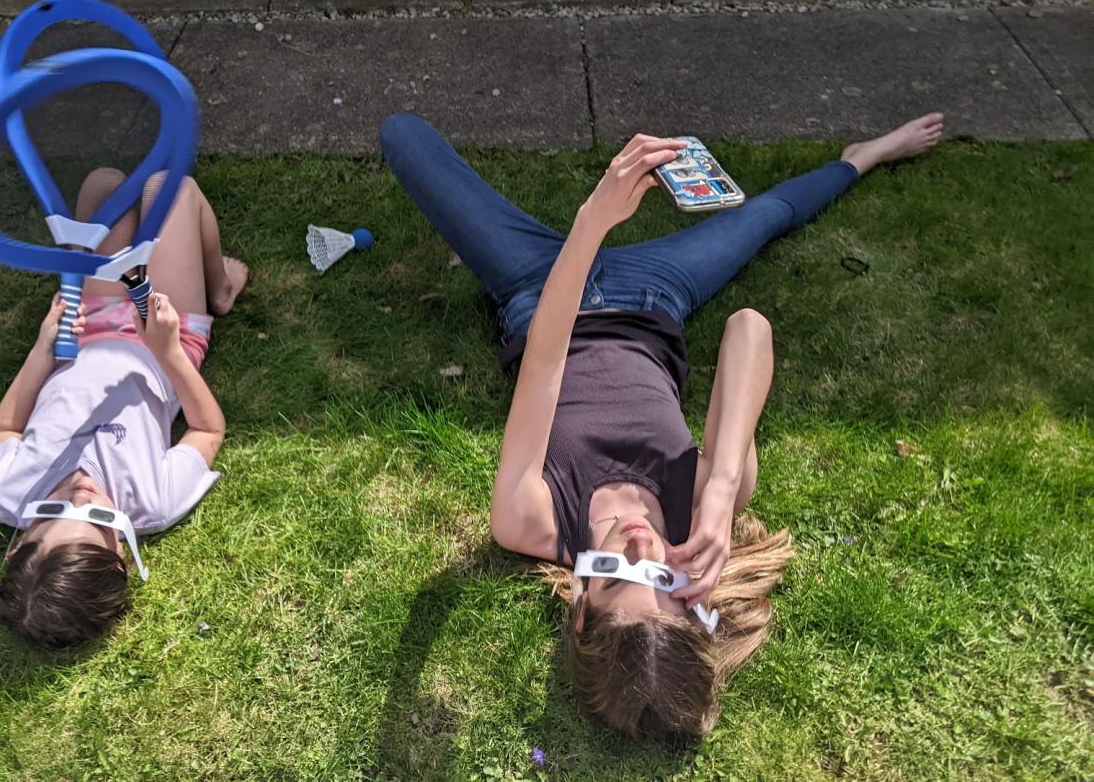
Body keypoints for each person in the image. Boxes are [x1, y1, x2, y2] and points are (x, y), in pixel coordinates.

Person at [379, 110, 945, 737]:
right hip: (656, 296)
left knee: (402, 135)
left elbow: (545, 357)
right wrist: (724, 487)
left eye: (623, 574)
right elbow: (748, 329)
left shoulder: (530, 521)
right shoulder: (702, 507)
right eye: (668, 580)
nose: (645, 546)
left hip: (535, 291)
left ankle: (856, 155)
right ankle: (864, 153)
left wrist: (592, 222)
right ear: (697, 596)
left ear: (579, 604)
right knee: (763, 218)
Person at [0, 169, 249, 650]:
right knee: (167, 188)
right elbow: (207, 430)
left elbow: (7, 426)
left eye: (55, 510)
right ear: (119, 549)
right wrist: (169, 353)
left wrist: (43, 349)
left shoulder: (2, 491)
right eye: (98, 518)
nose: (81, 491)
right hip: (165, 330)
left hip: (89, 322)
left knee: (102, 185)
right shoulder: (153, 500)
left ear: (17, 544)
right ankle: (221, 287)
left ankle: (140, 238)